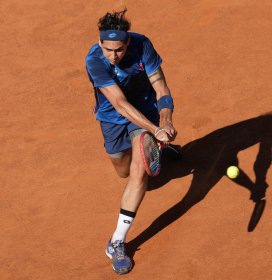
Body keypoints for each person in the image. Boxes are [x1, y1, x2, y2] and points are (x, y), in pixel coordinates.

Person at [85, 9, 177, 274]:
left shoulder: (142, 45)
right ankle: (158, 149)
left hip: (146, 112)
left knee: (138, 173)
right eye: (108, 49)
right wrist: (156, 129)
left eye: (120, 49)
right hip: (113, 119)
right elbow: (120, 104)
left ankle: (117, 241)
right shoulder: (95, 60)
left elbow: (160, 86)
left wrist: (165, 120)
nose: (114, 56)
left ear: (128, 42)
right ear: (100, 43)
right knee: (123, 170)